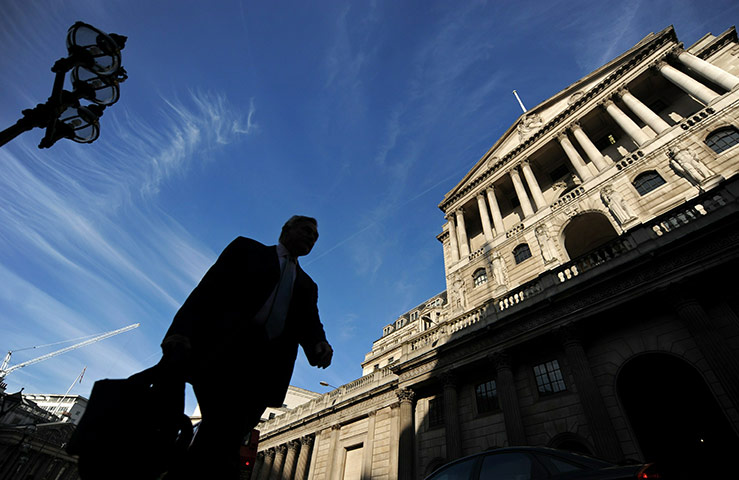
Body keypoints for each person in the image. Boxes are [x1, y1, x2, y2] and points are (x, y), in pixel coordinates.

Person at [159, 215, 333, 479]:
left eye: (315, 237)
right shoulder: (246, 250)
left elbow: (309, 323)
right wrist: (180, 333)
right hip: (224, 354)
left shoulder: (307, 285)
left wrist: (319, 344)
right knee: (221, 430)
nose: (311, 238)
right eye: (306, 230)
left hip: (265, 370)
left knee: (225, 436)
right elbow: (207, 291)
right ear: (286, 230)